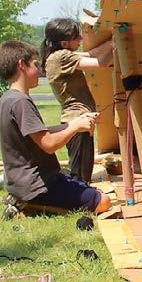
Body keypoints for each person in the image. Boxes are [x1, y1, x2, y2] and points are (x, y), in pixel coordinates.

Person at [0, 40, 111, 218]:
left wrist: (72, 123)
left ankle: (23, 200)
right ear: (21, 65)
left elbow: (38, 133)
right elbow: (48, 144)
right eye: (34, 64)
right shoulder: (21, 102)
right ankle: (31, 204)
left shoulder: (8, 98)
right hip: (38, 185)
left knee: (86, 188)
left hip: (22, 182)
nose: (39, 70)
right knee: (103, 201)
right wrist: (75, 127)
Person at [41, 18, 113, 183]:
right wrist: (116, 47)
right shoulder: (62, 57)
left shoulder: (57, 55)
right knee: (81, 174)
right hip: (78, 118)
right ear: (65, 43)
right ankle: (80, 203)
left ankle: (80, 198)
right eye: (76, 37)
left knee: (81, 168)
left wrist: (110, 42)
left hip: (76, 118)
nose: (81, 39)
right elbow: (100, 63)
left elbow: (90, 54)